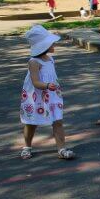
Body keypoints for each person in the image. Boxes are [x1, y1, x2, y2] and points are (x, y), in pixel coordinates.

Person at [19, 25, 75, 160]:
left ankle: (61, 148)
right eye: (51, 42)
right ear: (44, 46)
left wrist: (52, 87)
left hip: (52, 94)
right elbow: (35, 82)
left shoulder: (50, 59)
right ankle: (27, 147)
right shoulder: (34, 62)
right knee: (31, 122)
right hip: (36, 96)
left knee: (58, 120)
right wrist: (47, 85)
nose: (54, 44)